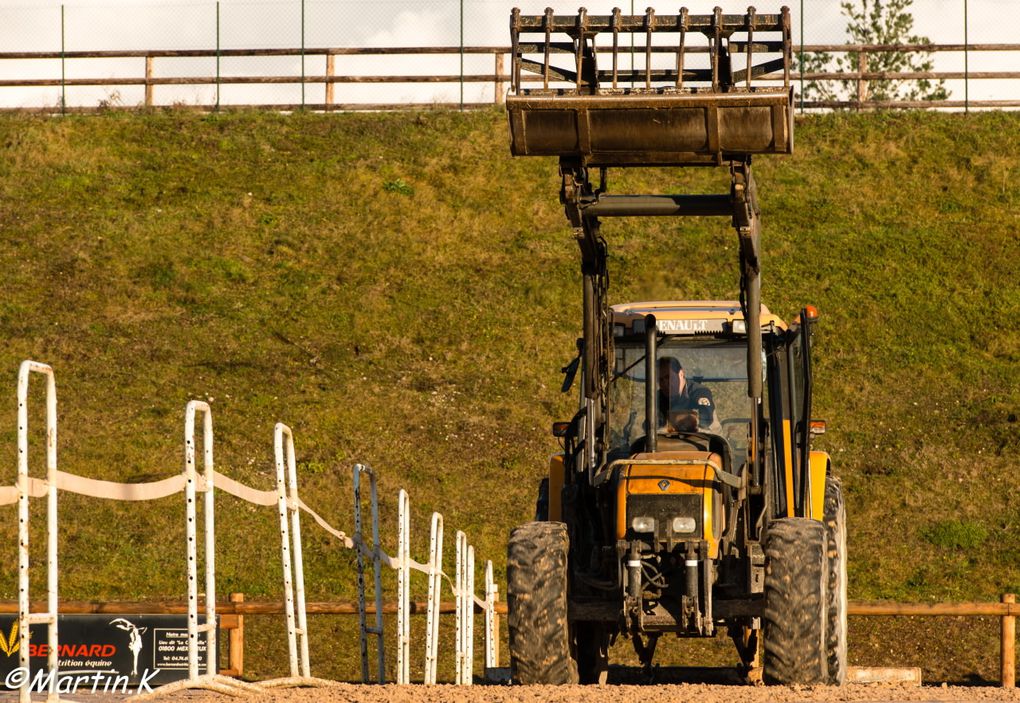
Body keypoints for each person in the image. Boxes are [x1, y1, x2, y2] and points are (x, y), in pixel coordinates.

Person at [656, 356, 718, 433]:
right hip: (669, 441)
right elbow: (649, 424)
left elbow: (706, 418)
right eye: (660, 380)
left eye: (668, 377)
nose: (665, 383)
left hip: (707, 440)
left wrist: (681, 420)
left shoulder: (699, 392)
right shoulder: (658, 397)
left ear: (681, 374)